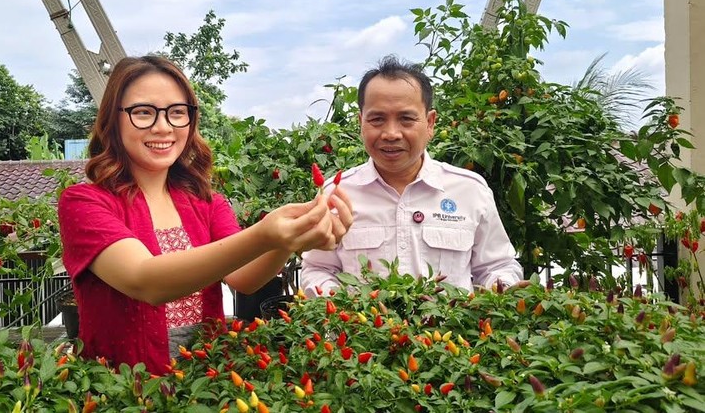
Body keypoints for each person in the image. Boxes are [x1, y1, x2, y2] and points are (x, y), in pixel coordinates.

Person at [59, 55, 353, 372]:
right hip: (126, 386)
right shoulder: (84, 203)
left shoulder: (207, 203)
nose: (163, 127)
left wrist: (288, 240)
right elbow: (145, 281)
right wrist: (265, 234)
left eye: (177, 112)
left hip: (208, 380)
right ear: (113, 119)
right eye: (143, 112)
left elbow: (245, 278)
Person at [300, 55, 522, 295]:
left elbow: (497, 265)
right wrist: (337, 300)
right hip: (362, 321)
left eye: (406, 119)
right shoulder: (336, 194)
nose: (391, 134)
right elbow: (318, 268)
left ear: (430, 123)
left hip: (449, 321)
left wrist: (503, 286)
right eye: (377, 119)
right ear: (361, 122)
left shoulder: (469, 190)